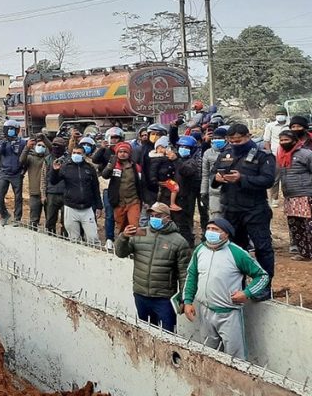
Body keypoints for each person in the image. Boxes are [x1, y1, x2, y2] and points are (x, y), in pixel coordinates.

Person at [182, 218, 270, 359]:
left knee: (236, 358)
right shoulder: (200, 249)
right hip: (205, 311)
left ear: (226, 234)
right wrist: (187, 301)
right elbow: (192, 276)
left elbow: (263, 276)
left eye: (216, 230)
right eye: (209, 228)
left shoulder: (237, 253)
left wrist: (247, 293)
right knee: (208, 354)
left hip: (228, 314)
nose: (210, 232)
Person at [211, 123, 276, 299]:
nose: (235, 143)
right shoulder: (225, 153)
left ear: (248, 136)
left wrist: (242, 178)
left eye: (238, 140)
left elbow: (268, 180)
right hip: (231, 210)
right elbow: (212, 175)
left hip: (255, 209)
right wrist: (216, 178)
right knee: (234, 250)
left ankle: (264, 286)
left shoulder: (263, 155)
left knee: (262, 249)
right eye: (231, 140)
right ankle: (238, 285)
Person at [114, 203, 192, 331]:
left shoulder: (179, 241)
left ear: (167, 218)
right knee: (146, 332)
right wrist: (123, 237)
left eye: (158, 215)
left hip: (164, 299)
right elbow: (120, 253)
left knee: (168, 335)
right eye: (152, 215)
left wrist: (185, 298)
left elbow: (184, 273)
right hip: (141, 294)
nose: (154, 218)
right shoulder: (140, 233)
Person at [49, 144, 101, 244]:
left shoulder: (90, 168)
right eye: (74, 153)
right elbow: (53, 181)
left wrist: (99, 206)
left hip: (87, 208)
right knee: (73, 239)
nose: (76, 155)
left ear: (84, 155)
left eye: (78, 153)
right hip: (70, 207)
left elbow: (95, 188)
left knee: (93, 238)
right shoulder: (65, 167)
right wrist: (54, 171)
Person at [277, 129, 312, 261]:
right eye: (281, 140)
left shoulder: (306, 154)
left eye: (286, 140)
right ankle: (304, 253)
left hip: (306, 195)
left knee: (309, 226)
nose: (284, 143)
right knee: (296, 226)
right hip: (290, 196)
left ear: (294, 140)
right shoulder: (281, 155)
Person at [102, 141, 149, 235]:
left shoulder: (136, 167)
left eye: (125, 152)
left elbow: (142, 184)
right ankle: (123, 246)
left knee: (134, 226)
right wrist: (110, 166)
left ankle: (134, 247)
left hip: (133, 201)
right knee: (121, 227)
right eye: (120, 152)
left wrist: (145, 200)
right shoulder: (114, 166)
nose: (122, 154)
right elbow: (105, 175)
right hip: (119, 202)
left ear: (129, 153)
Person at [0, 119, 27, 226]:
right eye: (9, 129)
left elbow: (25, 157)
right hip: (4, 173)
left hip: (17, 174)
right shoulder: (3, 142)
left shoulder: (22, 142)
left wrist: (23, 171)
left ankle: (17, 218)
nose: (10, 131)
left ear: (17, 130)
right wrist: (4, 142)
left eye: (13, 129)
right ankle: (4, 214)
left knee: (18, 197)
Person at [173, 135, 203, 246]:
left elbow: (187, 171)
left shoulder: (192, 161)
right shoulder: (175, 158)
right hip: (173, 195)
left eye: (186, 147)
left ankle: (188, 243)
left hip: (186, 195)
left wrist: (177, 161)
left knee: (185, 220)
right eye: (181, 147)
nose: (183, 149)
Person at [21, 134, 51, 230]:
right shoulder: (30, 157)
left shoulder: (47, 159)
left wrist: (44, 138)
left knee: (50, 219)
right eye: (39, 145)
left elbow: (52, 148)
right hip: (34, 193)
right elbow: (21, 160)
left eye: (43, 146)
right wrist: (27, 147)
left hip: (47, 193)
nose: (40, 147)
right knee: (34, 220)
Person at [201, 126, 229, 224]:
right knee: (215, 219)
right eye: (214, 138)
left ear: (226, 138)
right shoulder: (208, 153)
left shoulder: (231, 152)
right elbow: (205, 174)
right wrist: (203, 191)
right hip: (214, 191)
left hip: (230, 191)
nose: (216, 140)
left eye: (219, 138)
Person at [264, 107, 290, 207]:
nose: (280, 116)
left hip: (289, 154)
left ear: (286, 115)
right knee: (275, 178)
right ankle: (274, 198)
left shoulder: (290, 125)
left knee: (288, 177)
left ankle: (288, 197)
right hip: (275, 154)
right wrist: (269, 154)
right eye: (278, 114)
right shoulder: (270, 126)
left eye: (282, 114)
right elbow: (266, 141)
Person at [44, 136, 69, 235]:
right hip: (51, 193)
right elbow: (43, 178)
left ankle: (65, 239)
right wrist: (43, 194)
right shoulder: (48, 159)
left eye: (58, 146)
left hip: (66, 193)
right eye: (54, 145)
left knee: (66, 221)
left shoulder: (68, 159)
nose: (56, 147)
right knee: (50, 220)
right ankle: (51, 238)